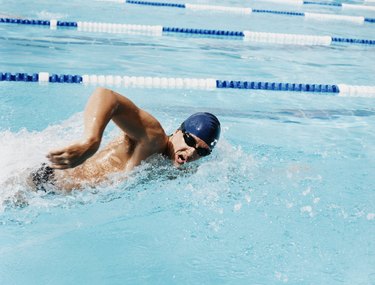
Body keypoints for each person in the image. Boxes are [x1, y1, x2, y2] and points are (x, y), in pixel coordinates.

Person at [30, 87, 221, 191]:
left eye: (202, 151)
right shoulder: (154, 138)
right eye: (189, 140)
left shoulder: (178, 167)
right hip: (45, 181)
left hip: (55, 194)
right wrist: (91, 142)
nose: (192, 152)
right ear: (179, 131)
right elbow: (106, 95)